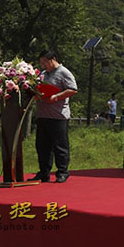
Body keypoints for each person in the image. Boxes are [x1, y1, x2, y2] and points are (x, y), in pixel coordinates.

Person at [29, 50, 77, 183]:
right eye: (41, 63)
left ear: (53, 59)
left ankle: (62, 172)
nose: (43, 65)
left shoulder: (64, 72)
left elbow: (73, 89)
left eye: (45, 62)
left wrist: (56, 97)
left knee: (60, 146)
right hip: (42, 115)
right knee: (42, 146)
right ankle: (44, 172)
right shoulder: (43, 74)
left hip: (58, 116)